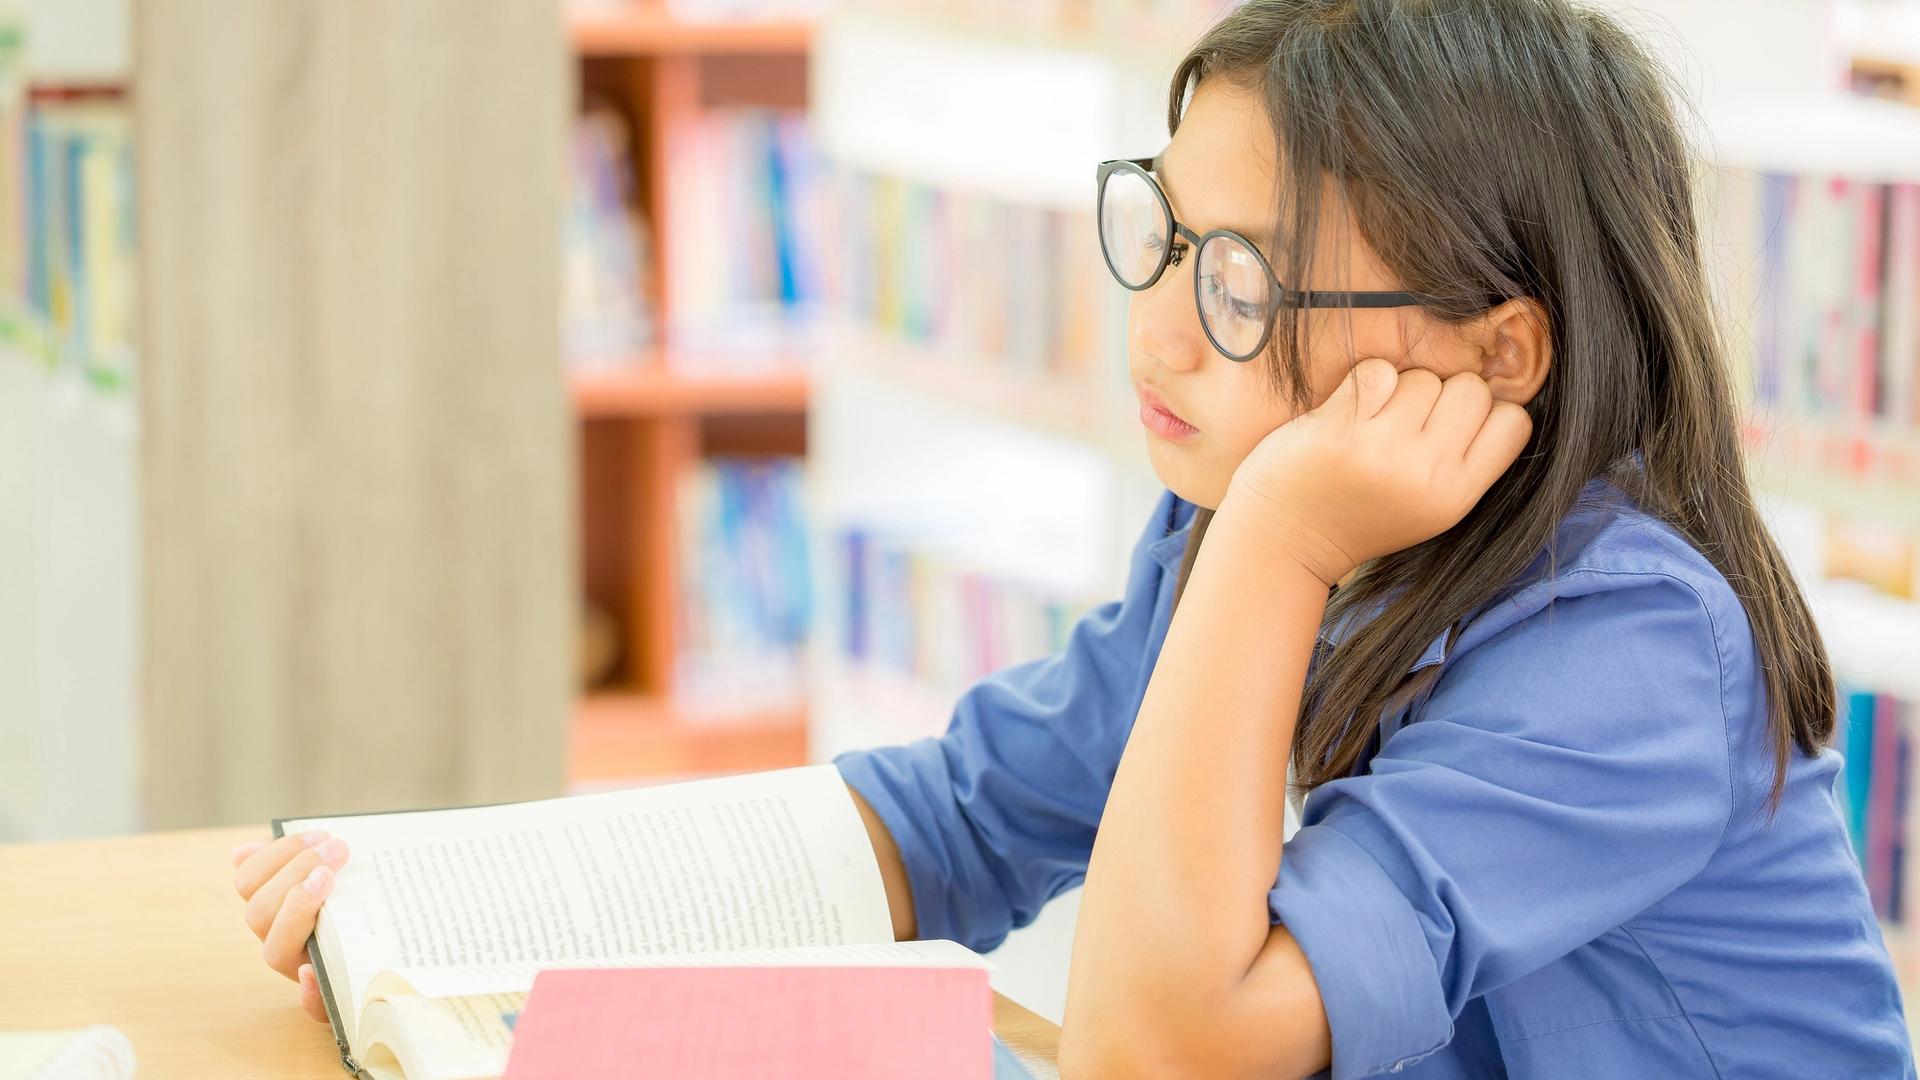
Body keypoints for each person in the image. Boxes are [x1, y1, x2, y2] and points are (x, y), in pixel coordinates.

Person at [231, 0, 1914, 1075]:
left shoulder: (1631, 647)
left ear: (1498, 353)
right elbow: (953, 822)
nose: (1161, 336)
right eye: (1165, 235)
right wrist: (446, 890)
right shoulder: (1249, 542)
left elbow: (1163, 1046)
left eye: (1242, 280)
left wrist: (1271, 541)